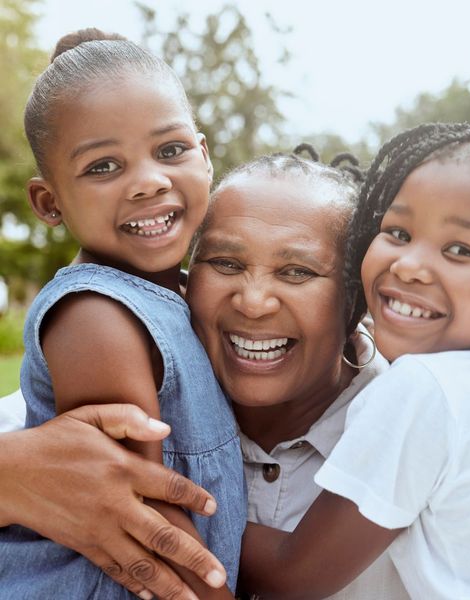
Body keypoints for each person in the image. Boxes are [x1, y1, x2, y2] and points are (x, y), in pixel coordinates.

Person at [0, 147, 410, 599]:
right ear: (182, 279)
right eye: (225, 263)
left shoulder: (411, 428)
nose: (253, 303)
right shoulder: (136, 397)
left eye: (297, 271)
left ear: (355, 301)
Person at [240, 122, 470, 599]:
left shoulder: (428, 388)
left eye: (460, 249)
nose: (407, 264)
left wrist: (152, 509)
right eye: (397, 231)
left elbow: (295, 575)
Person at [0, 29, 245, 599]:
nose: (149, 182)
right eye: (104, 166)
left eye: (170, 151)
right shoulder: (96, 317)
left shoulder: (185, 299)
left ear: (204, 157)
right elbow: (142, 519)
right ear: (49, 202)